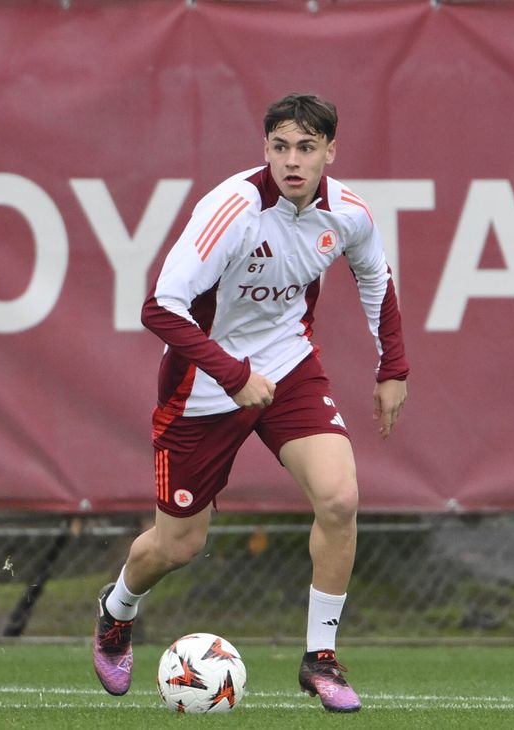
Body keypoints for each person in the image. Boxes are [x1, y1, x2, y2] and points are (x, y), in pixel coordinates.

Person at [92, 93, 409, 713]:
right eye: (281, 147)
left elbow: (376, 277)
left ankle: (320, 657)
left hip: (289, 367)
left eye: (307, 148)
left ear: (329, 153)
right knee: (177, 546)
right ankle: (116, 611)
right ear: (265, 149)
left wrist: (392, 366)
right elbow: (159, 306)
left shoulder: (346, 213)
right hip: (203, 385)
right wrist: (232, 374)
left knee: (341, 499)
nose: (293, 161)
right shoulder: (233, 208)